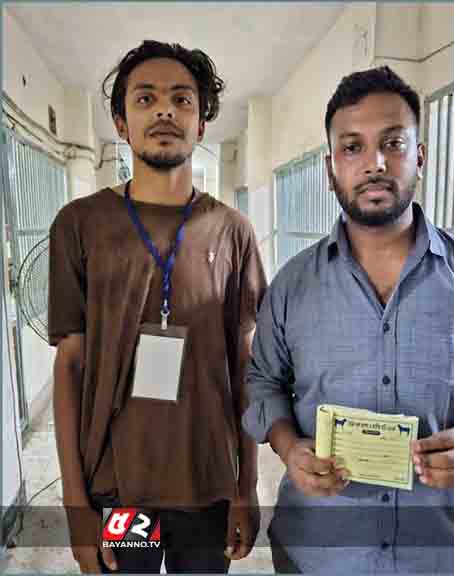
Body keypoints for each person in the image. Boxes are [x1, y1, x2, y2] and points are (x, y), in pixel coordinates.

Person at [242, 66, 454, 574]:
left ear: (420, 157)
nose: (375, 163)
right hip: (316, 554)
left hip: (441, 557)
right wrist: (288, 445)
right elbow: (262, 383)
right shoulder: (291, 287)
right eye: (353, 147)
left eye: (393, 143)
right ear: (330, 169)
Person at [49, 41, 264, 573]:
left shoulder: (233, 232)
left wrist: (247, 485)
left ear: (201, 124)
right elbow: (70, 364)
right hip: (122, 490)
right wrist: (78, 508)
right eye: (145, 99)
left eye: (181, 100)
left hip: (209, 486)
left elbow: (245, 365)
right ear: (121, 124)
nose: (165, 111)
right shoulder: (80, 225)